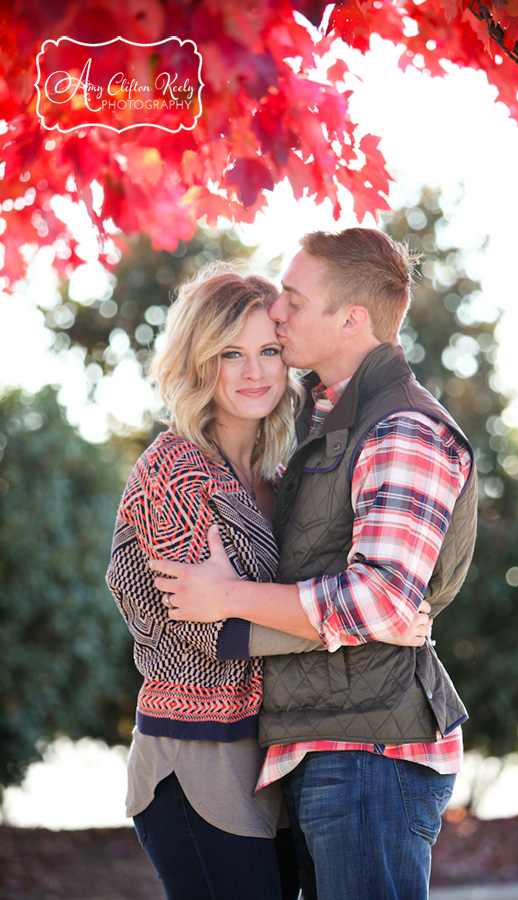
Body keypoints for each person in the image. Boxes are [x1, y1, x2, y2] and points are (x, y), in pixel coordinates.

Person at [150, 228, 478, 900]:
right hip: (324, 744)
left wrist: (230, 596)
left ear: (352, 319)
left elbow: (382, 600)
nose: (278, 313)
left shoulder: (402, 429)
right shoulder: (321, 427)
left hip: (369, 758)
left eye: (294, 303)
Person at [105, 265, 313, 900]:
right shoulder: (176, 468)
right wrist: (351, 627)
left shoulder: (277, 476)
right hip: (193, 756)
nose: (256, 372)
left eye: (269, 351)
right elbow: (212, 632)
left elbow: (247, 606)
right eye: (232, 353)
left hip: (266, 753)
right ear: (199, 361)